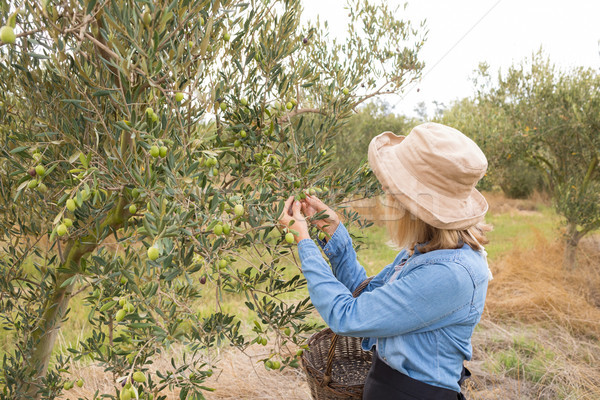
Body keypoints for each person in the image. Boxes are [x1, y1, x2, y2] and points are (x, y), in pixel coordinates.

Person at [278, 122, 492, 400]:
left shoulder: (451, 274)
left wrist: (305, 244)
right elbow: (367, 296)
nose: (386, 198)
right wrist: (334, 235)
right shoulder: (425, 249)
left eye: (392, 193)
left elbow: (347, 317)